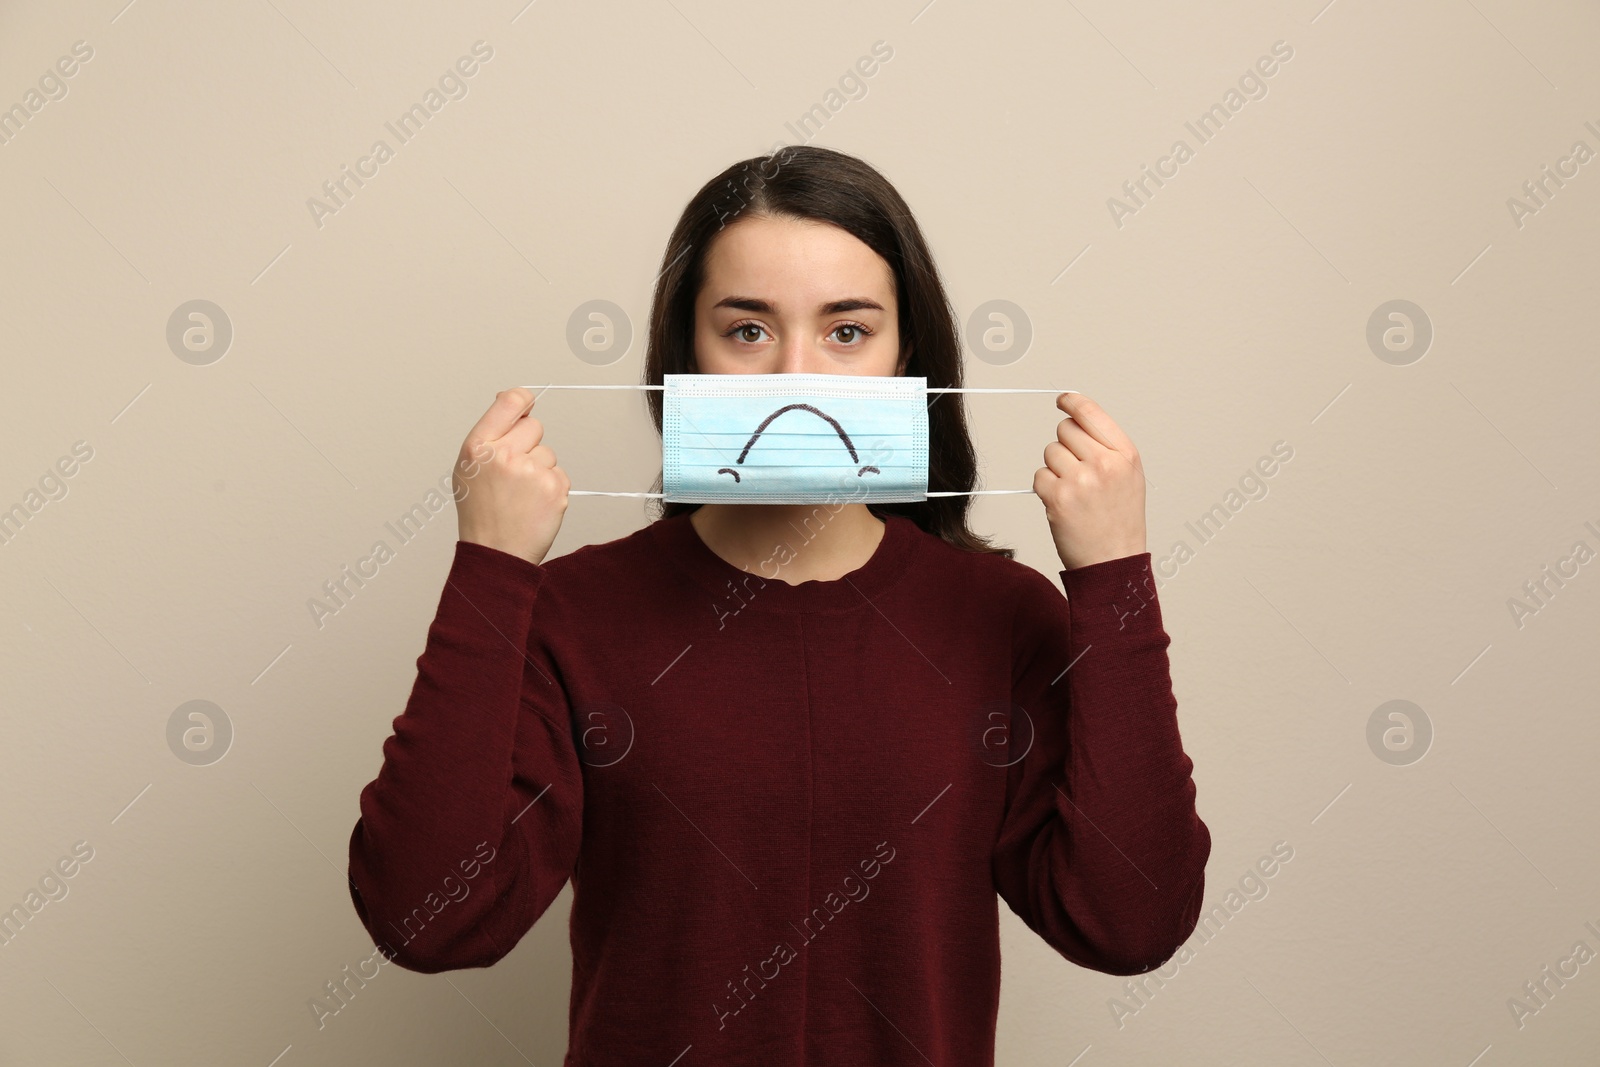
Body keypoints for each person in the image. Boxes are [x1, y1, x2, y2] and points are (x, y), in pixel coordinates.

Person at [346, 145, 1210, 1065]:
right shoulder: (577, 612)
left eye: (847, 332)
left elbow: (1132, 921)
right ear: (687, 352)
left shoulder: (1001, 617)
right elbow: (424, 918)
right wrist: (490, 568)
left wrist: (1115, 578)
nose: (798, 378)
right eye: (748, 330)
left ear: (907, 354)